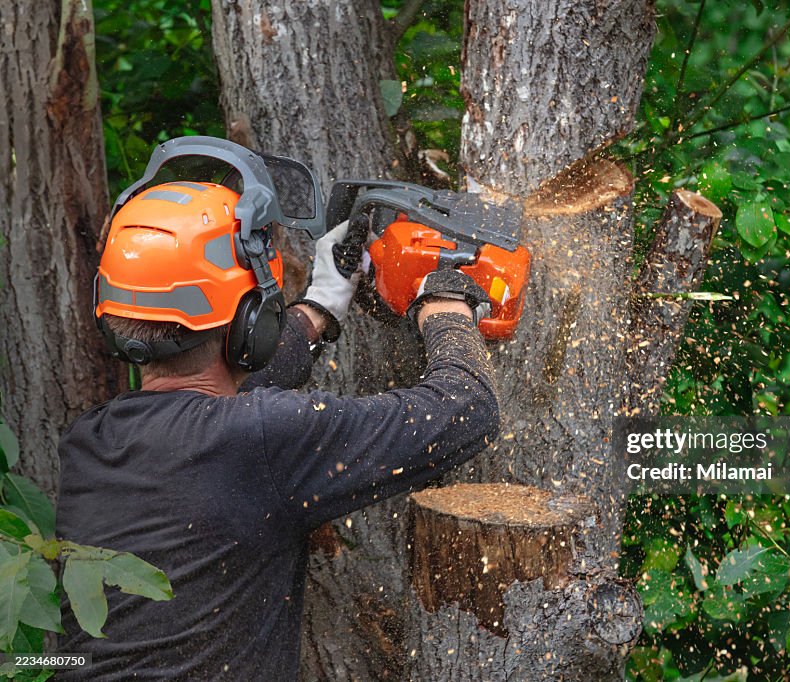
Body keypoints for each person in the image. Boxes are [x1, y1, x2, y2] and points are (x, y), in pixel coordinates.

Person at [55, 177, 499, 680]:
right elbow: (467, 409)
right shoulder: (262, 438)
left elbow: (222, 401)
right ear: (251, 320)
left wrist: (319, 306)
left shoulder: (91, 441)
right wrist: (445, 308)